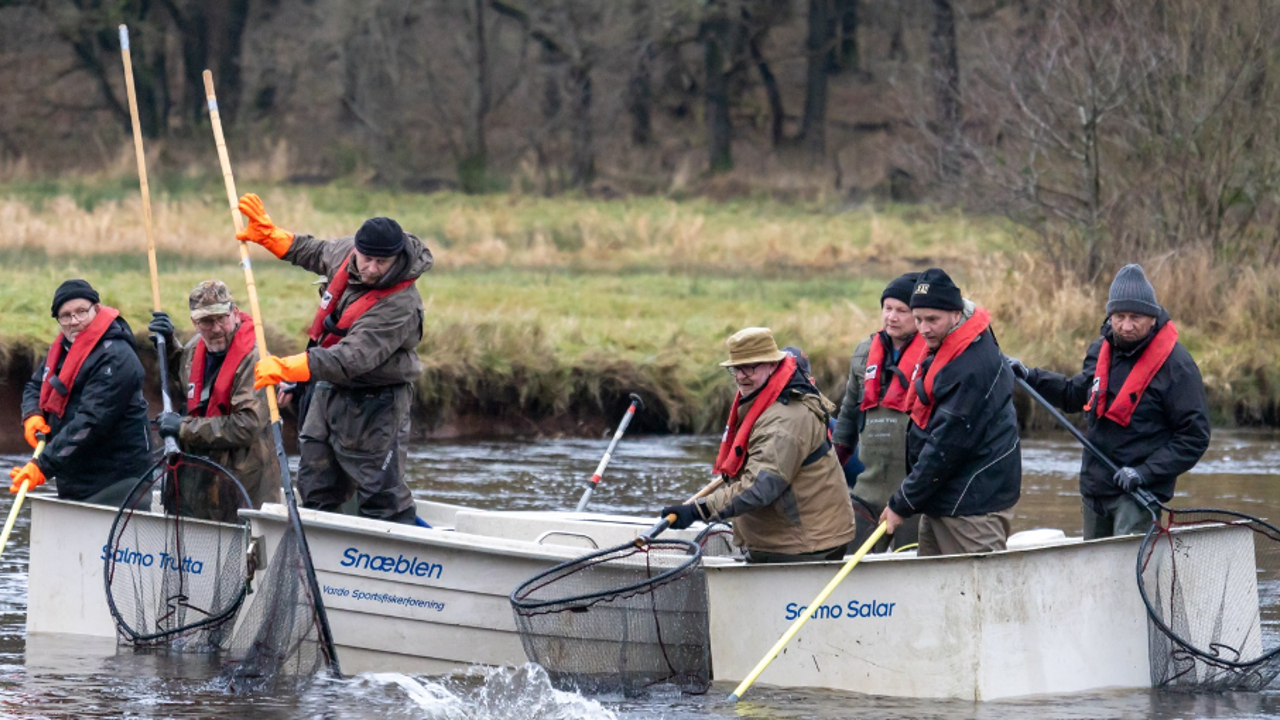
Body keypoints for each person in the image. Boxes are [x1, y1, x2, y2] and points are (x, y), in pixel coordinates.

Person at [234, 193, 431, 524]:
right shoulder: (348, 252)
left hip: (376, 401)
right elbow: (314, 252)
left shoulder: (401, 305)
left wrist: (288, 368)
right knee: (314, 483)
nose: (371, 268)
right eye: (366, 259)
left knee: (380, 493)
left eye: (381, 263)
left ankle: (393, 560)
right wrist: (272, 237)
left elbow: (351, 358)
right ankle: (322, 552)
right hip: (328, 390)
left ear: (396, 259)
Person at [1009, 264, 1209, 539]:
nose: (1126, 326)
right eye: (1119, 316)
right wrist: (1030, 376)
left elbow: (1194, 437)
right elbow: (1073, 394)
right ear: (1110, 316)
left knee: (1126, 573)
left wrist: (1143, 473)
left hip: (1138, 493)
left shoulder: (1177, 366)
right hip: (1095, 490)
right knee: (1094, 572)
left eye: (1135, 317)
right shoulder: (1099, 350)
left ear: (1152, 318)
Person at [661, 327, 857, 563]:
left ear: (772, 365)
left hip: (805, 545)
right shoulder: (761, 400)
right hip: (784, 542)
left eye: (750, 367)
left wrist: (697, 510)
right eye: (735, 368)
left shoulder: (784, 420)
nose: (741, 375)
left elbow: (760, 487)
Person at [879, 268, 1021, 557]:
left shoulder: (971, 367)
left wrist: (901, 503)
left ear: (956, 315)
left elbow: (945, 445)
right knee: (931, 587)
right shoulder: (948, 344)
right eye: (918, 319)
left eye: (933, 319)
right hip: (943, 498)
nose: (924, 328)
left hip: (975, 507)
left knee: (981, 593)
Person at [11, 279, 150, 506]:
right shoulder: (63, 349)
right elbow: (36, 386)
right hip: (77, 479)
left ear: (96, 309)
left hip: (118, 481)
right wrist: (32, 414)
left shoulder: (116, 356)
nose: (74, 321)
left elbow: (91, 422)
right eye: (66, 315)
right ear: (58, 320)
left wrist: (42, 466)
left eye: (81, 312)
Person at [148, 280, 281, 513]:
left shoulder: (257, 360)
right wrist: (168, 345)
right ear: (195, 323)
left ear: (235, 313)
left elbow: (246, 425)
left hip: (244, 485)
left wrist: (183, 427)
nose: (216, 328)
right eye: (207, 322)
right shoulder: (195, 347)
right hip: (201, 482)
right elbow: (187, 377)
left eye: (221, 318)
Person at [834, 272, 928, 553]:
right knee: (849, 559)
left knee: (911, 565)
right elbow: (849, 412)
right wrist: (834, 464)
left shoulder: (935, 354)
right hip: (867, 490)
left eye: (902, 310)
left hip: (913, 494)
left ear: (919, 316)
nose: (892, 317)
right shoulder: (864, 352)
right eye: (887, 309)